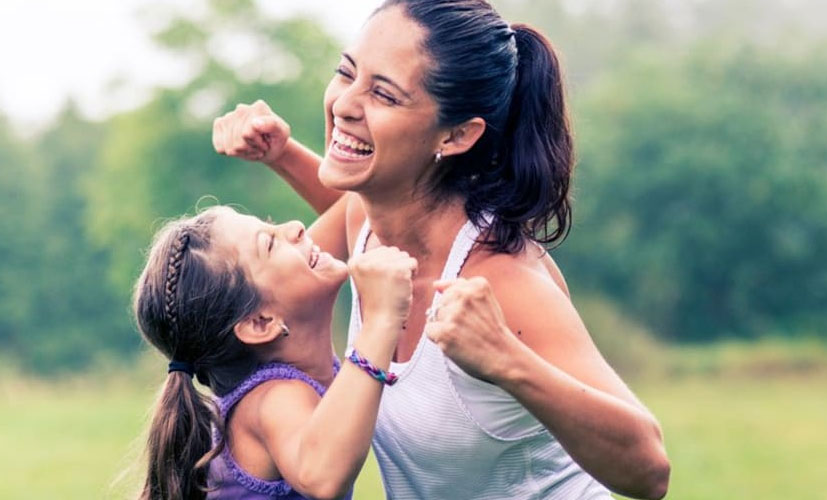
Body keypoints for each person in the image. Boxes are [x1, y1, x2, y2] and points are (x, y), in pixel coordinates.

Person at [212, 1, 671, 498]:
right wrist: (281, 154)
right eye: (346, 73)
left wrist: (505, 359)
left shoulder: (501, 282)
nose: (344, 103)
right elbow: (297, 264)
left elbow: (649, 469)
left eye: (384, 94)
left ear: (456, 135)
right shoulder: (366, 222)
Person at [133, 205, 418, 500]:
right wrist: (381, 319)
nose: (296, 226)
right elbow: (322, 475)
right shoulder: (273, 399)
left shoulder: (286, 299)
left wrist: (285, 157)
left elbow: (358, 203)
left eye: (271, 223)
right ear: (260, 323)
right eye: (269, 242)